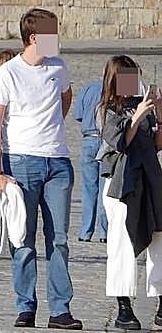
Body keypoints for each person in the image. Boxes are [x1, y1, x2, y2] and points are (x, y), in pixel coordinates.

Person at [0, 8, 82, 330]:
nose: (58, 40)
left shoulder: (59, 67)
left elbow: (65, 100)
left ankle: (60, 309)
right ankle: (26, 306)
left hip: (58, 162)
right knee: (23, 239)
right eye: (52, 34)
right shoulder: (8, 73)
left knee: (59, 239)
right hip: (21, 163)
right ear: (34, 37)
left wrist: (51, 127)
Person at [97, 55, 162, 331]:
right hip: (120, 183)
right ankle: (124, 306)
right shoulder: (106, 110)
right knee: (122, 243)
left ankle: (160, 300)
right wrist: (137, 117)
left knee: (159, 239)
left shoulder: (141, 106)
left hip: (150, 179)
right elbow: (121, 141)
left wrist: (160, 111)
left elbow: (157, 144)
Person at [73, 76, 109, 243]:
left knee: (88, 189)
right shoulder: (114, 89)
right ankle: (104, 233)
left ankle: (85, 232)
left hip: (88, 139)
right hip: (107, 140)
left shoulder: (86, 88)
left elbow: (78, 115)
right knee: (105, 189)